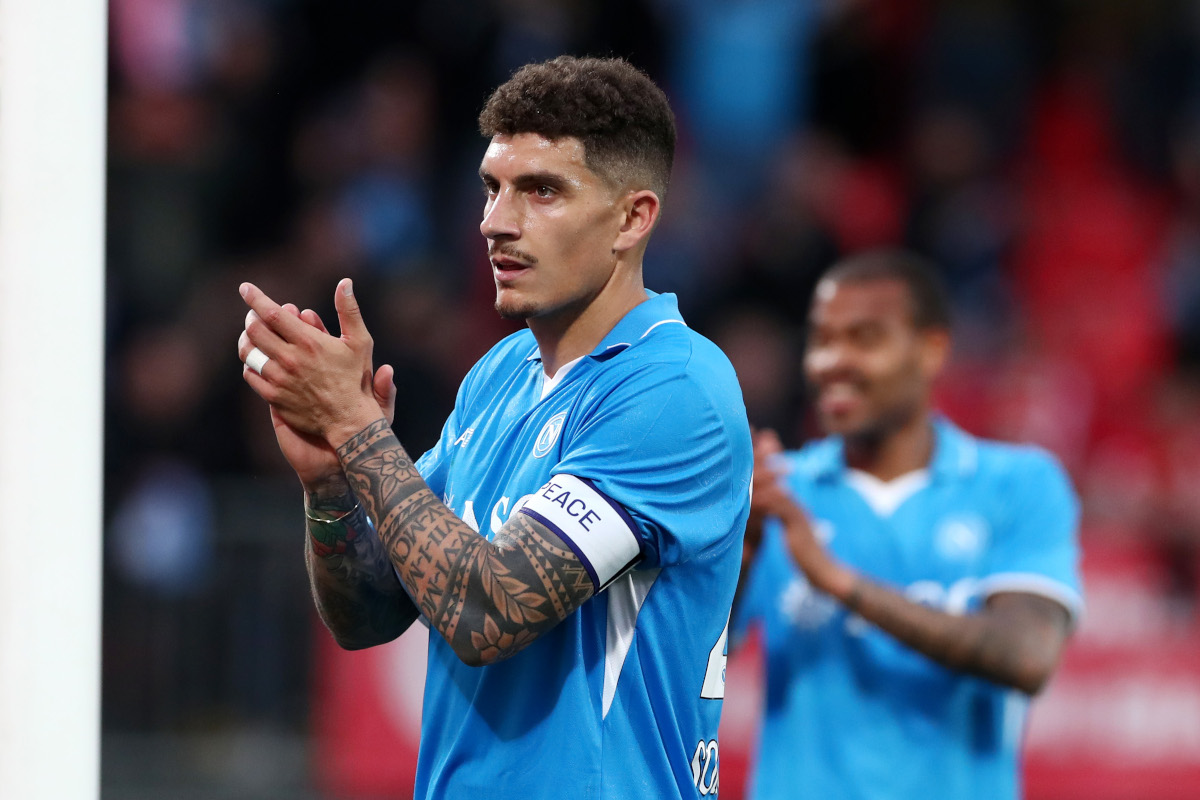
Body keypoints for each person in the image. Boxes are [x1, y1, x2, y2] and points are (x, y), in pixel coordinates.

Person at [237, 56, 753, 799]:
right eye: (492, 188)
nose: (496, 222)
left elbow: (486, 610)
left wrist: (358, 429)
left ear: (633, 218)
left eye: (542, 191)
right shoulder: (500, 374)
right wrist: (330, 483)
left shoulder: (674, 389)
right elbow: (371, 611)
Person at [735, 250, 1083, 800]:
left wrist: (838, 582)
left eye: (864, 338)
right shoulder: (777, 492)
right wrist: (744, 548)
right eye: (822, 339)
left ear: (931, 351)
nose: (831, 361)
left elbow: (1026, 656)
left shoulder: (1018, 484)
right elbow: (690, 662)